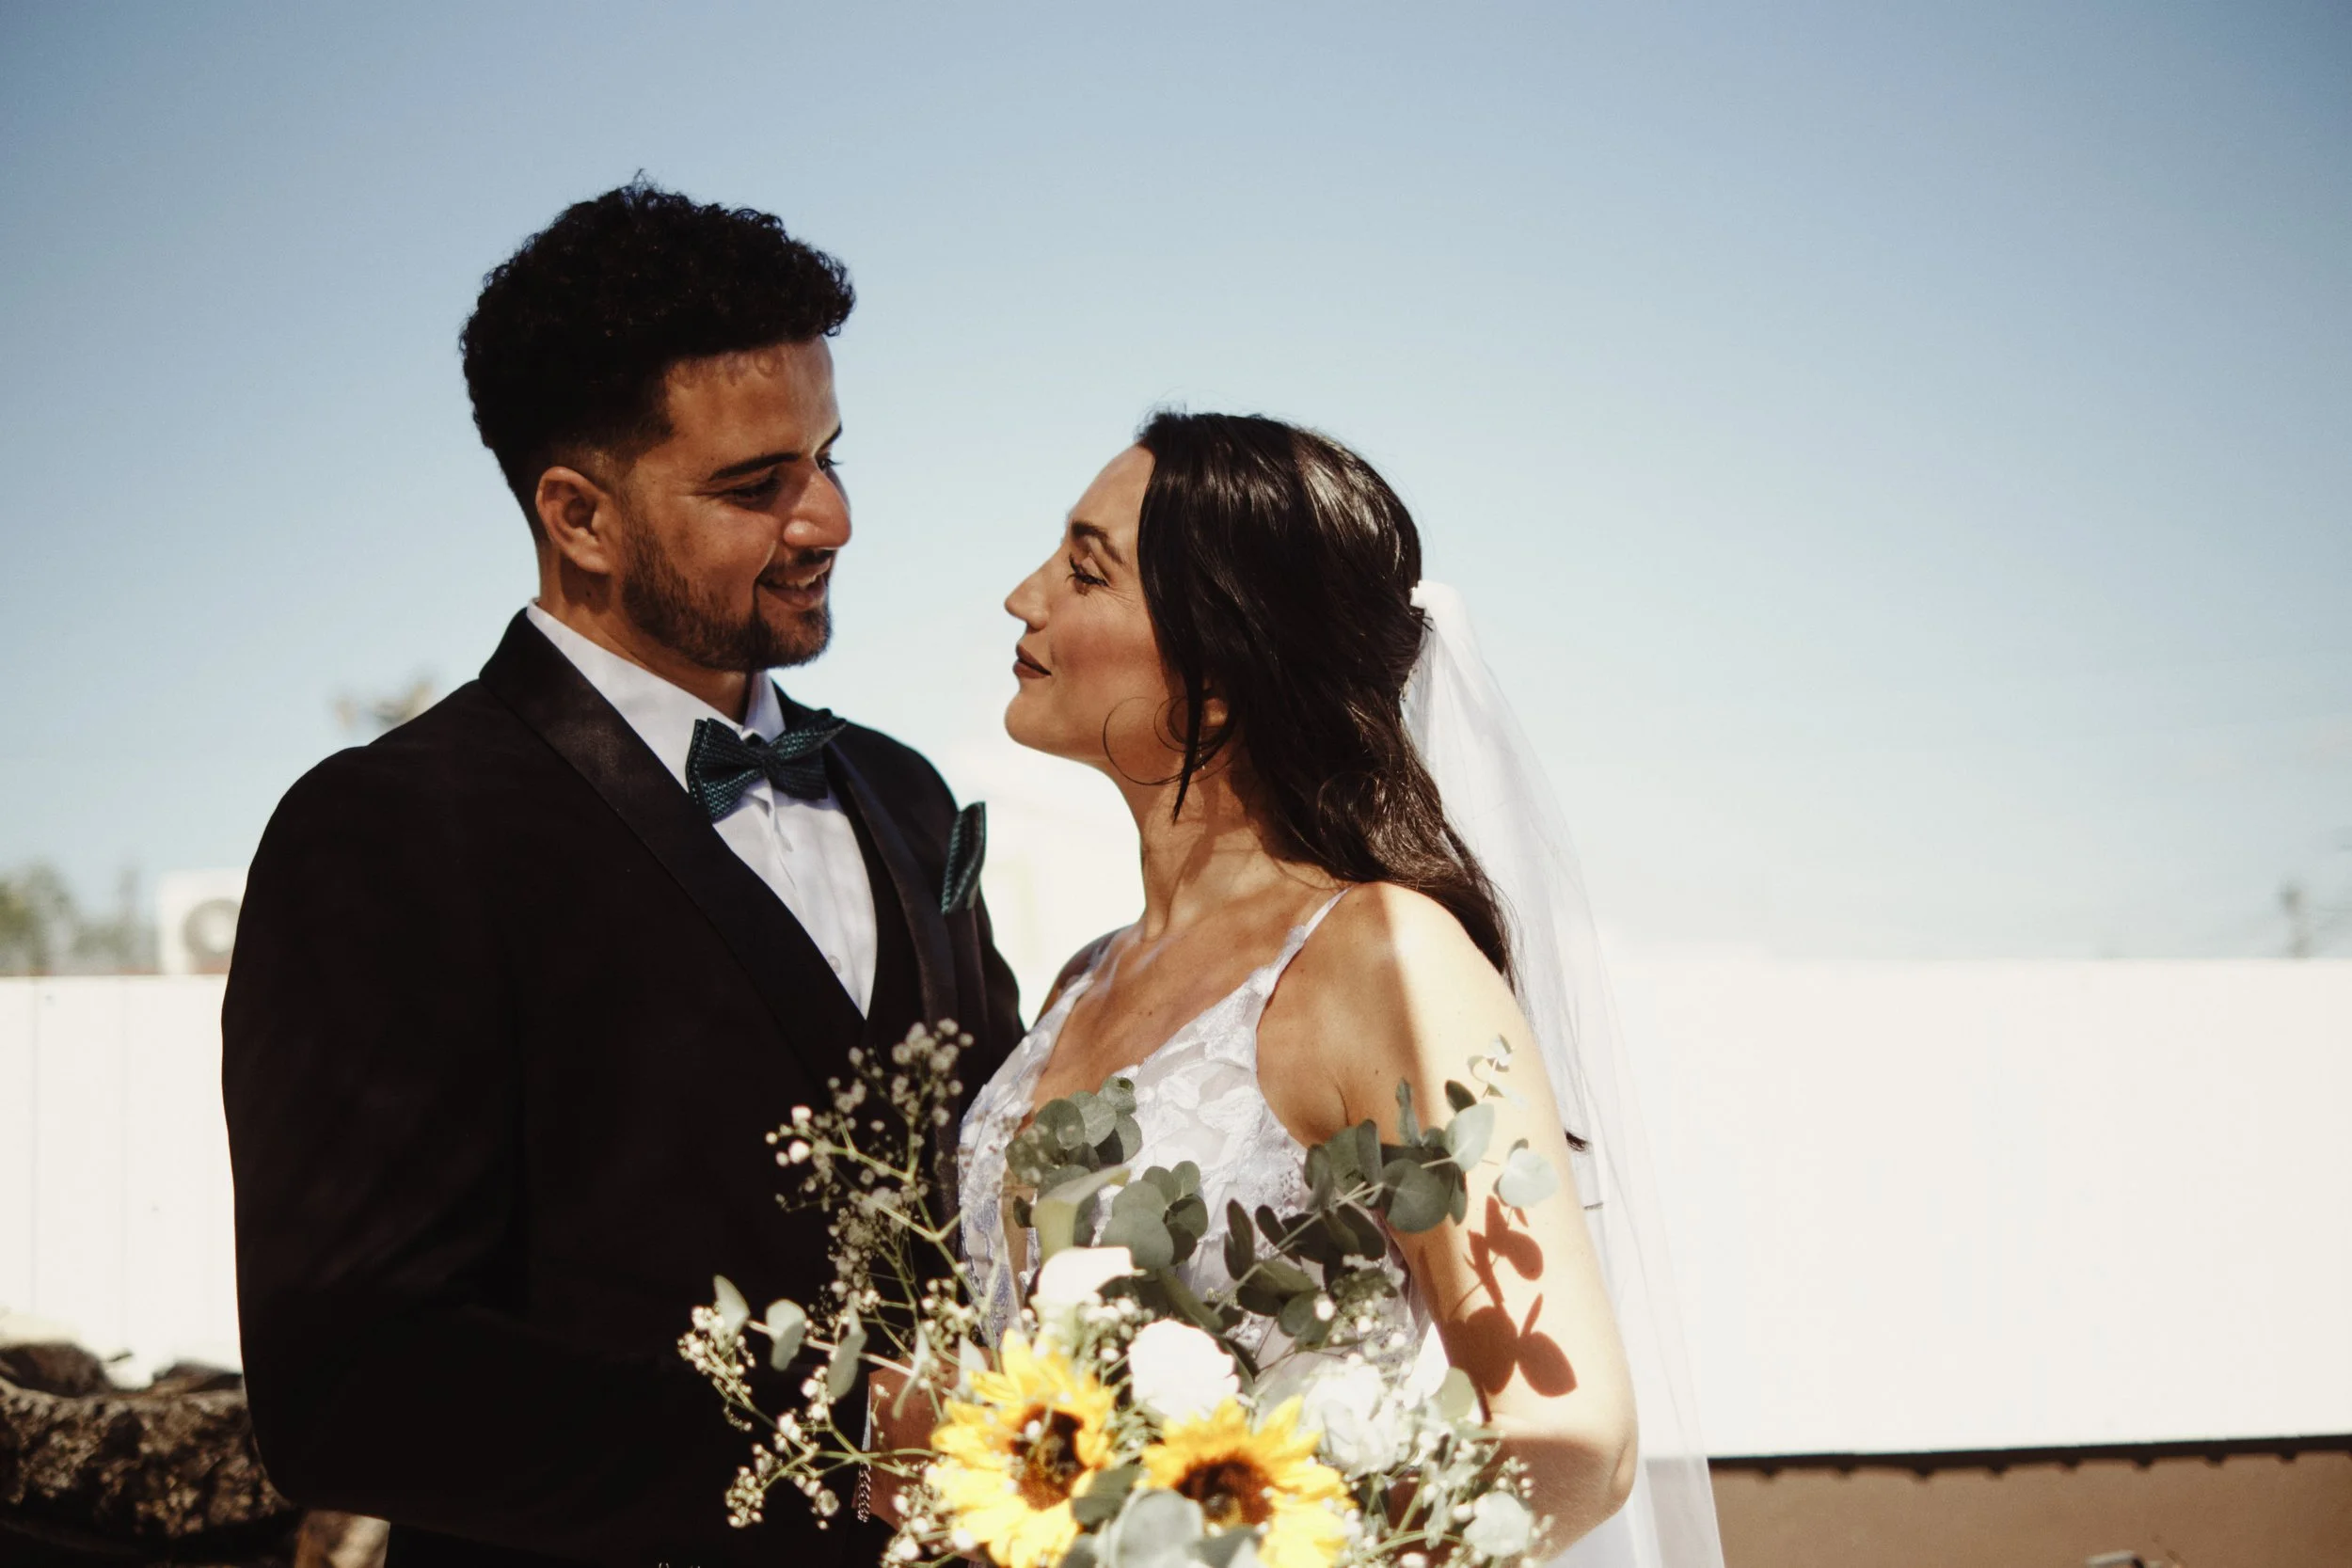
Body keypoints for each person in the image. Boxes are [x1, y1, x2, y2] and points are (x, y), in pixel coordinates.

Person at [221, 182, 1024, 1568]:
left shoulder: (903, 793)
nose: (827, 518)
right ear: (579, 515)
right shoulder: (387, 829)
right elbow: (346, 1384)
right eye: (754, 485)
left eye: (828, 456)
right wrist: (837, 1447)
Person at [959, 413, 1724, 1565]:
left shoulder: (1387, 955)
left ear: (1218, 679)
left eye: (1084, 569)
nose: (1024, 596)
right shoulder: (1081, 978)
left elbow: (1575, 1434)